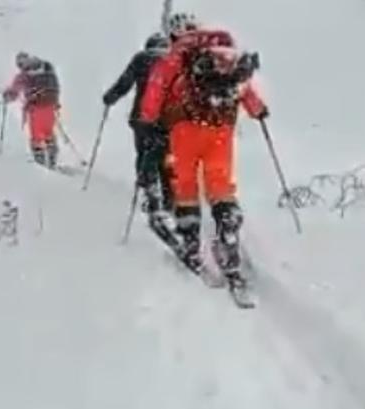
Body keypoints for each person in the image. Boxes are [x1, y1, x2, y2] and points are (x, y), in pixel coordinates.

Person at [137, 13, 268, 285]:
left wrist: (147, 118)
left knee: (185, 185)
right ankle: (228, 233)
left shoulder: (178, 52)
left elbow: (157, 86)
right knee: (220, 185)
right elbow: (243, 89)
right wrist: (257, 110)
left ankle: (190, 242)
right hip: (221, 128)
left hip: (184, 127)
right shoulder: (223, 52)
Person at [102, 32, 172, 222]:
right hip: (168, 118)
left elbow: (125, 81)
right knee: (166, 157)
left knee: (145, 153)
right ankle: (169, 197)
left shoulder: (142, 59)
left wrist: (111, 97)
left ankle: (150, 192)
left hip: (142, 117)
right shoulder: (173, 61)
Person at [3, 52, 61, 167]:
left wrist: (7, 95)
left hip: (36, 106)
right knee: (48, 132)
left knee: (36, 136)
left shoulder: (24, 75)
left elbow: (14, 92)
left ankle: (40, 164)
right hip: (51, 105)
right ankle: (52, 159)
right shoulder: (46, 68)